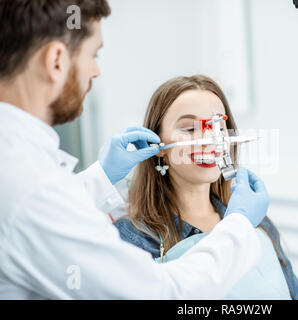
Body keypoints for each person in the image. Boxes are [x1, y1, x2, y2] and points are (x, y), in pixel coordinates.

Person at [0, 0, 269, 299]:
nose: (96, 71)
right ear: (56, 61)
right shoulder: (32, 185)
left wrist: (101, 177)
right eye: (94, 54)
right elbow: (161, 293)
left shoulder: (19, 164)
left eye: (217, 126)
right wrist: (240, 225)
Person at [114, 75, 298, 299]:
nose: (209, 139)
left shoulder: (257, 223)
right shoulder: (132, 239)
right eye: (189, 128)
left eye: (218, 126)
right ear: (158, 147)